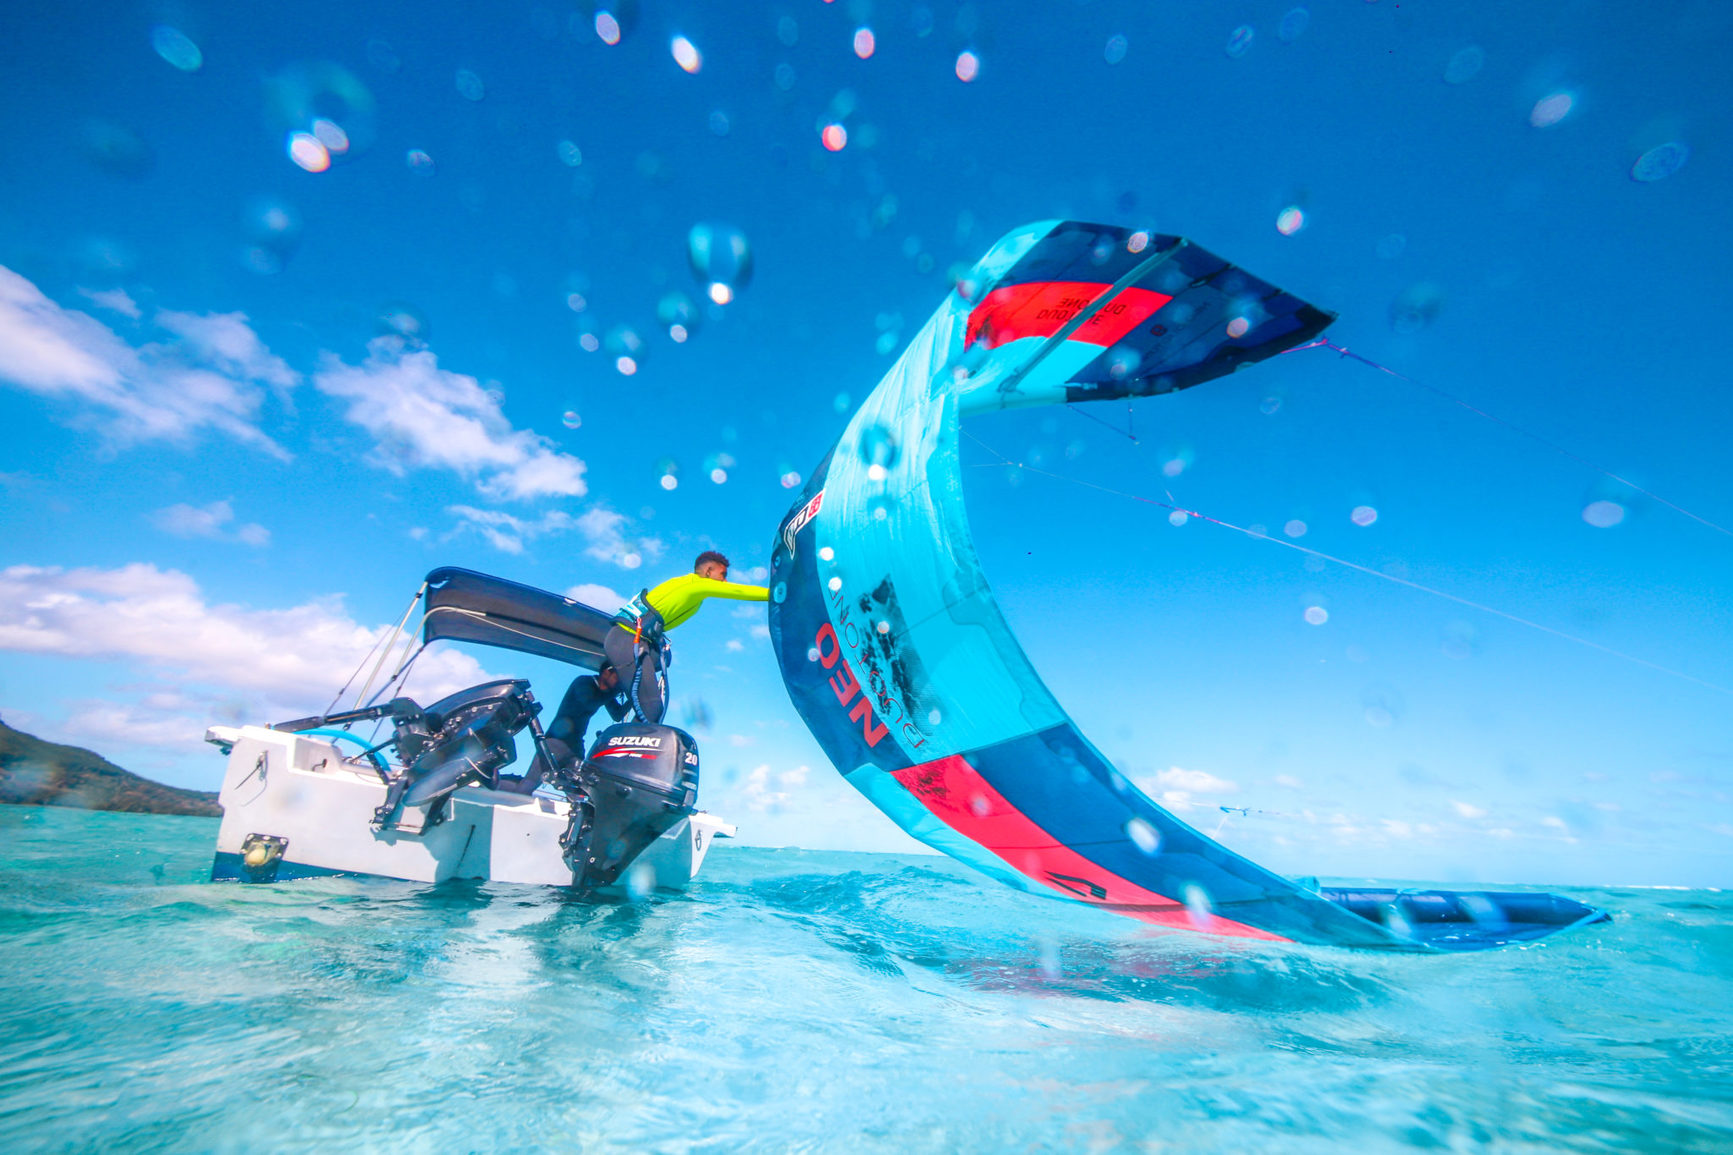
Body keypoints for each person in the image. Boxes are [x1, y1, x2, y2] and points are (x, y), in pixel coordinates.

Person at [604, 550, 769, 724]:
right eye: (722, 575)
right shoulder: (696, 585)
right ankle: (627, 746)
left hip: (628, 640)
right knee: (652, 710)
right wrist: (775, 594)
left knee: (654, 692)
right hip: (627, 639)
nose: (725, 581)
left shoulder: (686, 584)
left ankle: (616, 704)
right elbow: (737, 590)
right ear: (708, 571)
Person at [500, 663, 628, 794]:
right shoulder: (584, 682)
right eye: (618, 676)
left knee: (581, 792)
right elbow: (588, 702)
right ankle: (493, 783)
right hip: (555, 743)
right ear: (606, 672)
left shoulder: (604, 694)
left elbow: (617, 714)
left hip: (576, 747)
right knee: (526, 787)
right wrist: (617, 691)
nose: (619, 681)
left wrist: (632, 698)